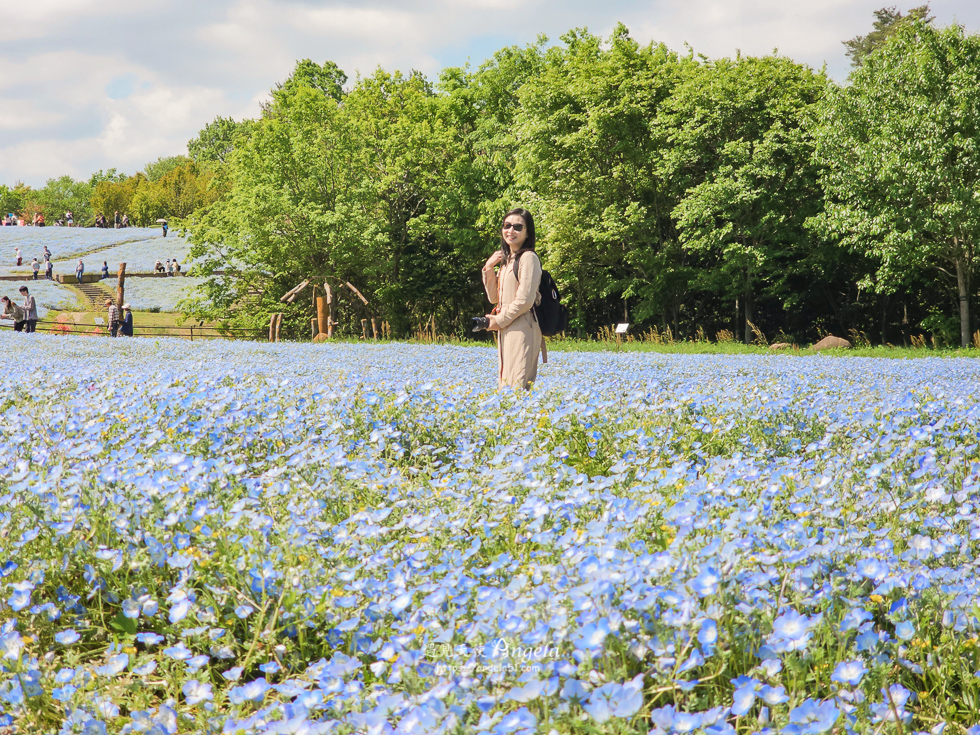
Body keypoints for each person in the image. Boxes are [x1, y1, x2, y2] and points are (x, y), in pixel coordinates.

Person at [481, 208, 543, 391]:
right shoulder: (507, 261)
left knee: (517, 384)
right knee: (505, 382)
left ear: (527, 232)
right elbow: (494, 298)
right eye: (507, 226)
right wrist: (488, 267)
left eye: (518, 227)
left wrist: (498, 321)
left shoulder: (528, 258)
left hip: (523, 326)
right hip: (506, 326)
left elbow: (525, 300)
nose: (511, 231)